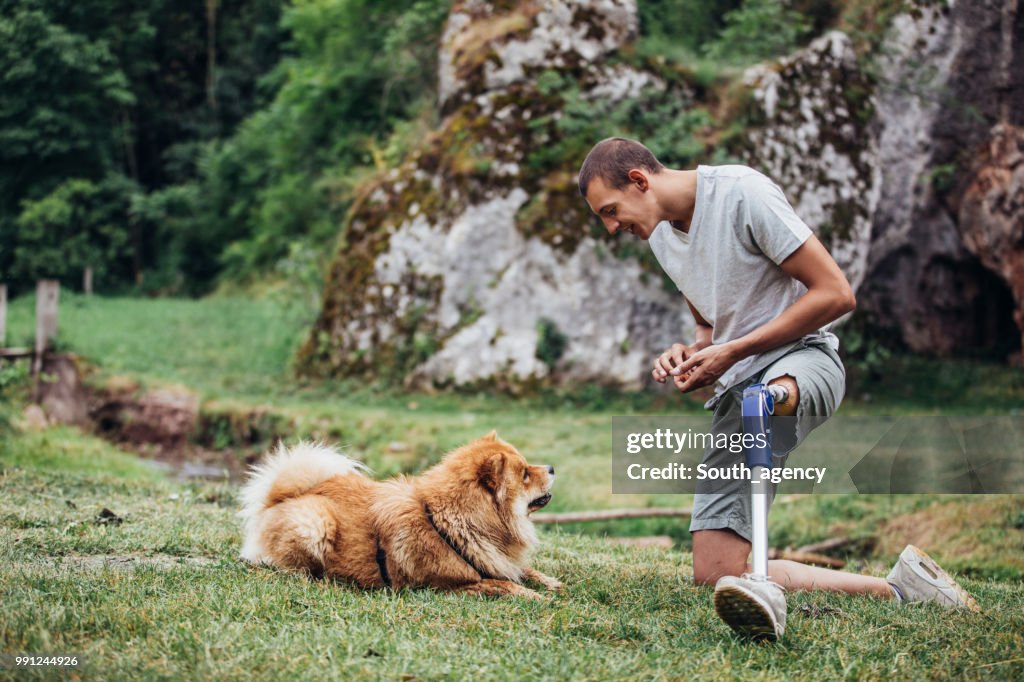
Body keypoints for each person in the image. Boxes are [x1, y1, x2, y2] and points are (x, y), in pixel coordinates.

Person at [578, 137, 980, 641]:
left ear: (639, 180)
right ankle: (903, 590)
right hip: (737, 384)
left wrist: (735, 351)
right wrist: (696, 352)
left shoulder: (742, 193)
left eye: (611, 211)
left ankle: (762, 404)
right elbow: (710, 325)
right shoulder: (661, 235)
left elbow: (836, 292)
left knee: (760, 402)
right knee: (717, 574)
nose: (613, 227)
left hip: (802, 363)